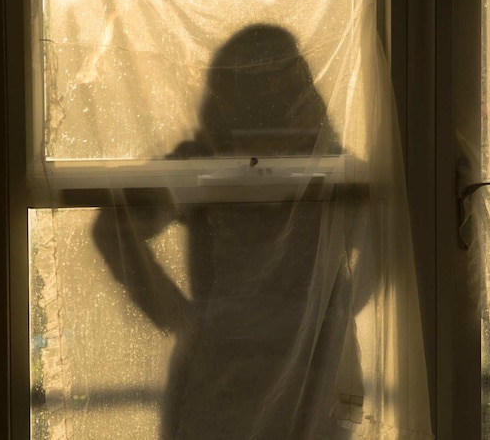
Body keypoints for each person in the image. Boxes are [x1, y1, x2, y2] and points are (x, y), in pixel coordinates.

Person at [92, 24, 356, 439]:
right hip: (235, 373)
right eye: (263, 88)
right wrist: (177, 316)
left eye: (287, 84)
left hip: (295, 370)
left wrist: (181, 318)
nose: (280, 101)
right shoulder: (206, 160)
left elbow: (112, 228)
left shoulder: (329, 167)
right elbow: (113, 226)